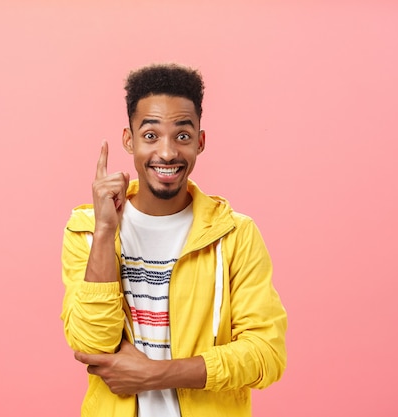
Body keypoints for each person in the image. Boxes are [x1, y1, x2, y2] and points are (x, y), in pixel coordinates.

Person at [61, 63, 287, 417]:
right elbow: (91, 342)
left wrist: (154, 375)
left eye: (181, 136)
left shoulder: (235, 234)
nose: (167, 153)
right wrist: (106, 233)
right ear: (128, 140)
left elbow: (265, 354)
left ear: (199, 142)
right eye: (151, 135)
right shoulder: (87, 230)